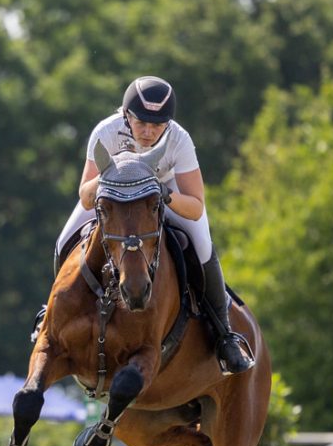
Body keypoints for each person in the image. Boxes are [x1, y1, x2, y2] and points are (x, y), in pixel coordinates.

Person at [41, 75, 255, 375]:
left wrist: (161, 192)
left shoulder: (178, 140)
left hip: (163, 198)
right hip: (114, 198)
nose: (149, 131)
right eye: (141, 122)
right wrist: (115, 178)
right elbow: (86, 198)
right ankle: (53, 314)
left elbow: (195, 206)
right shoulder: (106, 132)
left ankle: (224, 333)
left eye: (157, 125)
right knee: (65, 240)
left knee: (203, 247)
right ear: (126, 115)